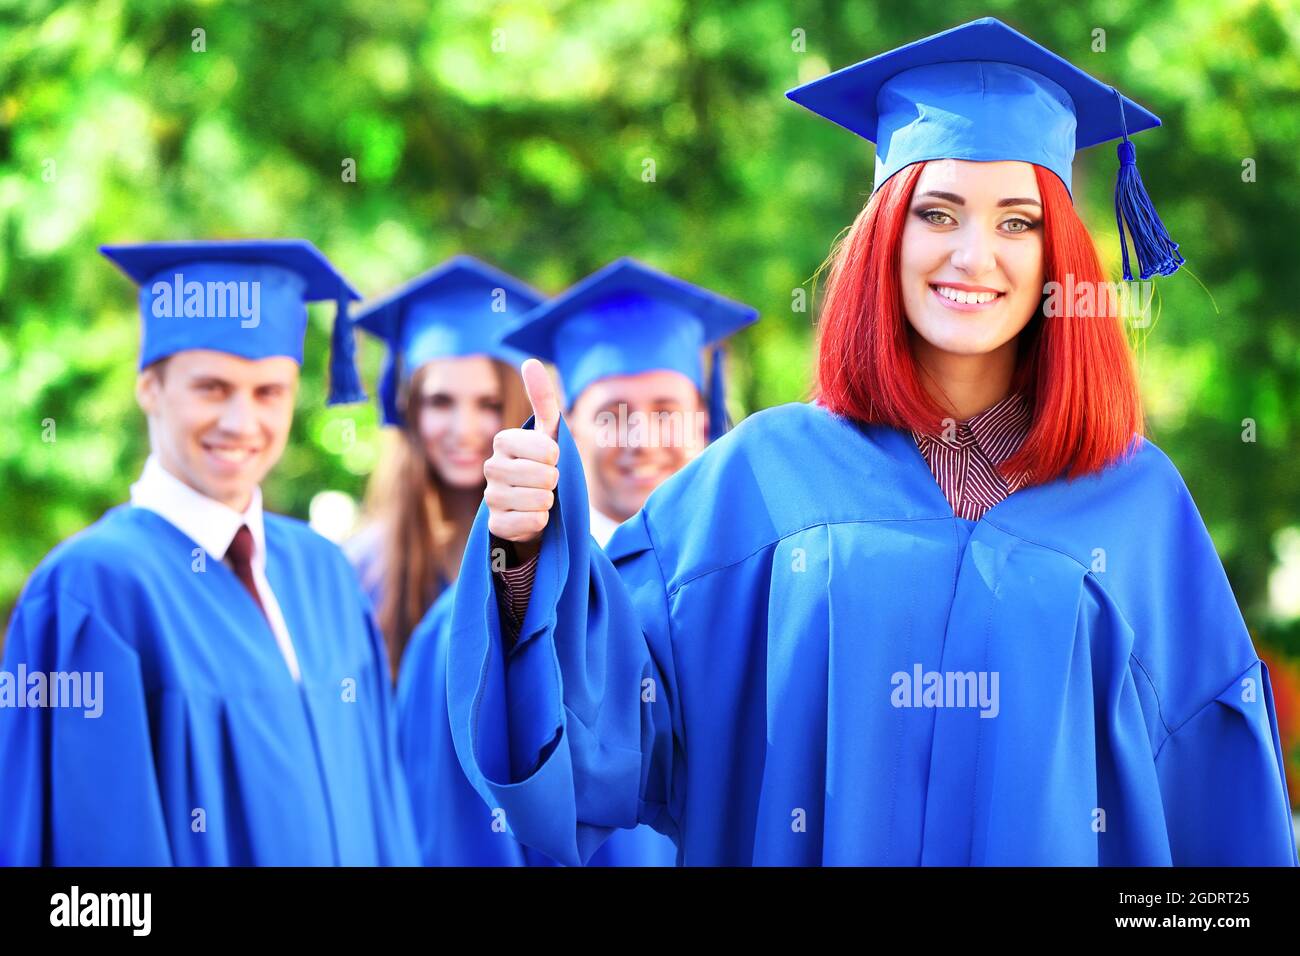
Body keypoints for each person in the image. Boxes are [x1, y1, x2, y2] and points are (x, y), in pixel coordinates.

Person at [444, 18, 1298, 866]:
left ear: (1057, 258)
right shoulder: (762, 481)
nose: (974, 255)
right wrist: (523, 554)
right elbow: (607, 729)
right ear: (886, 237)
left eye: (1017, 222)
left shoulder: (1139, 506)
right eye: (938, 212)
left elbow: (1217, 820)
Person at [0, 240, 419, 865]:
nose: (241, 421)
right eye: (212, 387)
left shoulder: (324, 572)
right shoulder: (93, 590)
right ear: (150, 386)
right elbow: (96, 857)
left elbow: (384, 810)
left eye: (268, 391)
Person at [396, 258, 757, 865]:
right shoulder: (471, 628)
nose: (643, 438)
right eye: (612, 413)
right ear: (570, 429)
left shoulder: (745, 600)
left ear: (704, 418)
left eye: (668, 408)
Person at [345, 256, 536, 675]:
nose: (463, 430)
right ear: (409, 410)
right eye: (440, 401)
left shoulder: (551, 556)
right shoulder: (362, 567)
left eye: (489, 404)